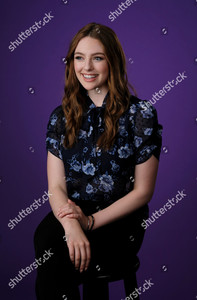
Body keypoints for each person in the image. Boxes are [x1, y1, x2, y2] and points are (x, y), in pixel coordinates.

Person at [34, 22, 163, 300]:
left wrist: (89, 223)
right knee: (46, 238)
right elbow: (56, 187)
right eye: (79, 57)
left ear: (112, 61)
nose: (87, 67)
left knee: (59, 258)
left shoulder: (140, 114)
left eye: (98, 57)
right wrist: (71, 225)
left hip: (120, 218)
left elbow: (143, 192)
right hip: (74, 211)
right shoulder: (61, 117)